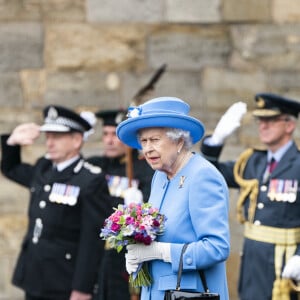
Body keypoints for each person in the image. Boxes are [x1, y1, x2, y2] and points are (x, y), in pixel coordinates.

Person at [115, 96, 230, 300]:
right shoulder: (159, 176)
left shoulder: (203, 176)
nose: (147, 148)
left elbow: (217, 248)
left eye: (155, 140)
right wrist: (137, 253)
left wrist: (161, 252)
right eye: (143, 141)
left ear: (178, 141)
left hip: (190, 294)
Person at [1, 105, 112, 300]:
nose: (49, 143)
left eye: (56, 137)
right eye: (48, 136)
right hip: (34, 275)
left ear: (77, 140)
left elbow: (92, 240)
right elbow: (11, 170)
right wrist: (11, 142)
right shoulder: (44, 168)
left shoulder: (90, 180)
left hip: (64, 280)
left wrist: (82, 288)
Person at [200, 93, 300, 300]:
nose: (263, 126)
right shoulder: (253, 162)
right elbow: (208, 174)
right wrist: (215, 141)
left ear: (289, 125)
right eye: (261, 120)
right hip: (252, 261)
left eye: (271, 120)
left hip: (286, 261)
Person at [88, 109, 154, 300]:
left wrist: (139, 207)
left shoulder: (145, 169)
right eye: (105, 134)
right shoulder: (96, 165)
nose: (109, 141)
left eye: (115, 135)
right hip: (97, 256)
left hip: (127, 257)